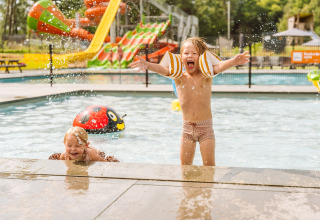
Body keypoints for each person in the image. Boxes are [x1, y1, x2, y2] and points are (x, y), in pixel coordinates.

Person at [129, 37, 250, 166]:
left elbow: (218, 67)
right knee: (185, 169)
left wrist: (233, 61)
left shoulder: (206, 76)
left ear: (201, 57)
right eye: (186, 53)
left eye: (194, 53)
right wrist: (147, 65)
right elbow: (163, 70)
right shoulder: (179, 77)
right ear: (181, 57)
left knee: (209, 167)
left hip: (206, 129)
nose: (189, 56)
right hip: (187, 130)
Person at [49, 126, 119, 162]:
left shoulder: (90, 155)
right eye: (69, 146)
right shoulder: (64, 156)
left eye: (78, 146)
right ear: (64, 144)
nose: (73, 149)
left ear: (86, 146)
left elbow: (103, 163)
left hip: (97, 153)